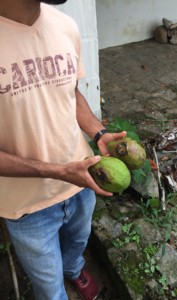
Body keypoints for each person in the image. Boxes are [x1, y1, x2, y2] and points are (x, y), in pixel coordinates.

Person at [0, 0, 126, 299]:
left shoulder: (65, 25)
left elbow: (68, 91)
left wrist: (99, 131)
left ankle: (74, 268)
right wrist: (56, 171)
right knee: (47, 284)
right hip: (26, 202)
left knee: (76, 242)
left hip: (83, 180)